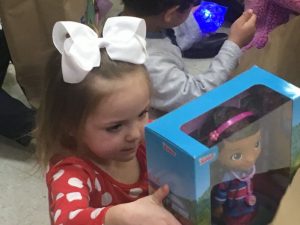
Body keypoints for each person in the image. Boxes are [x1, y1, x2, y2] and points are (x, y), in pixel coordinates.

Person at [35, 17, 181, 225]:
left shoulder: (143, 137)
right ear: (71, 125)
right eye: (115, 127)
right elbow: (67, 219)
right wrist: (117, 217)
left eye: (142, 113)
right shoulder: (71, 172)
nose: (135, 133)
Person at [121, 0, 257, 118]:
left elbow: (169, 38)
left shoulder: (135, 22)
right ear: (171, 14)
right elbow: (197, 97)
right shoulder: (150, 63)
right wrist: (234, 44)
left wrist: (196, 19)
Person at [199, 106, 261, 225]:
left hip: (247, 203)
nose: (250, 158)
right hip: (233, 210)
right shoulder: (227, 177)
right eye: (236, 155)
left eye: (257, 144)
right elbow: (221, 194)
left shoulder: (248, 169)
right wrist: (218, 206)